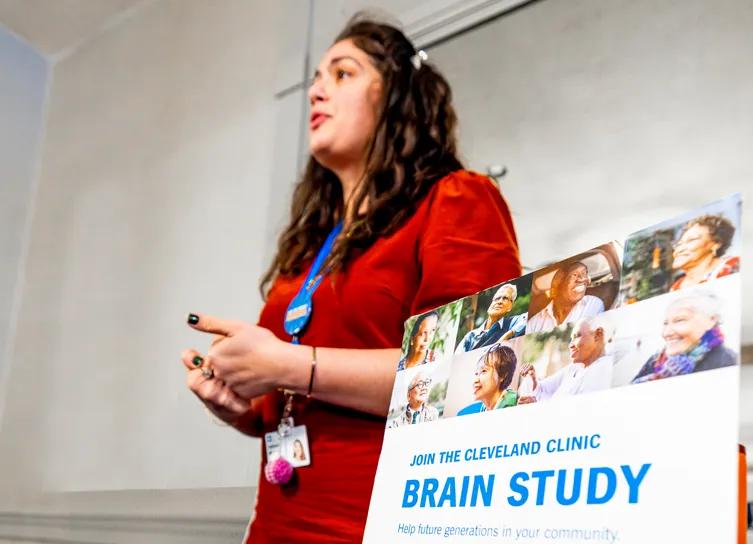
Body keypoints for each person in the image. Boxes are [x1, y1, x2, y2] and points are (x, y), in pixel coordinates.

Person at [178, 17, 520, 543]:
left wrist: (290, 364)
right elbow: (294, 397)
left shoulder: (455, 198)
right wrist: (243, 404)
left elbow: (468, 375)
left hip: (381, 525)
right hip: (275, 526)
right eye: (315, 78)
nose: (316, 89)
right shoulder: (312, 244)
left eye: (342, 73)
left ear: (397, 96)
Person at [631, 290, 737, 383]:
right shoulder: (656, 360)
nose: (666, 333)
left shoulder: (728, 362)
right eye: (665, 323)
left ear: (711, 320)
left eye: (679, 320)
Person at [518, 315, 614, 402]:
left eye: (577, 336)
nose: (570, 345)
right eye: (571, 338)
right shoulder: (575, 368)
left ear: (598, 335)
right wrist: (533, 378)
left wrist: (536, 403)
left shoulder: (603, 371)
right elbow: (543, 389)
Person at [527, 261, 605, 333]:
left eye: (584, 274)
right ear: (559, 285)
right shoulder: (534, 323)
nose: (582, 279)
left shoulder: (593, 304)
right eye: (574, 274)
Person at [669, 214, 739, 291]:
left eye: (691, 240)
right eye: (679, 244)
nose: (680, 249)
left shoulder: (734, 267)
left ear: (716, 245)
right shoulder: (676, 287)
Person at [456, 283, 525, 352]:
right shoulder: (471, 336)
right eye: (497, 298)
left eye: (505, 298)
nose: (500, 301)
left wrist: (508, 334)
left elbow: (529, 317)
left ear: (510, 306)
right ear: (491, 303)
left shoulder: (511, 324)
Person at [457, 344, 519, 415]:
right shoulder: (483, 408)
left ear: (502, 375)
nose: (475, 381)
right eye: (476, 374)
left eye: (484, 371)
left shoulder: (515, 403)